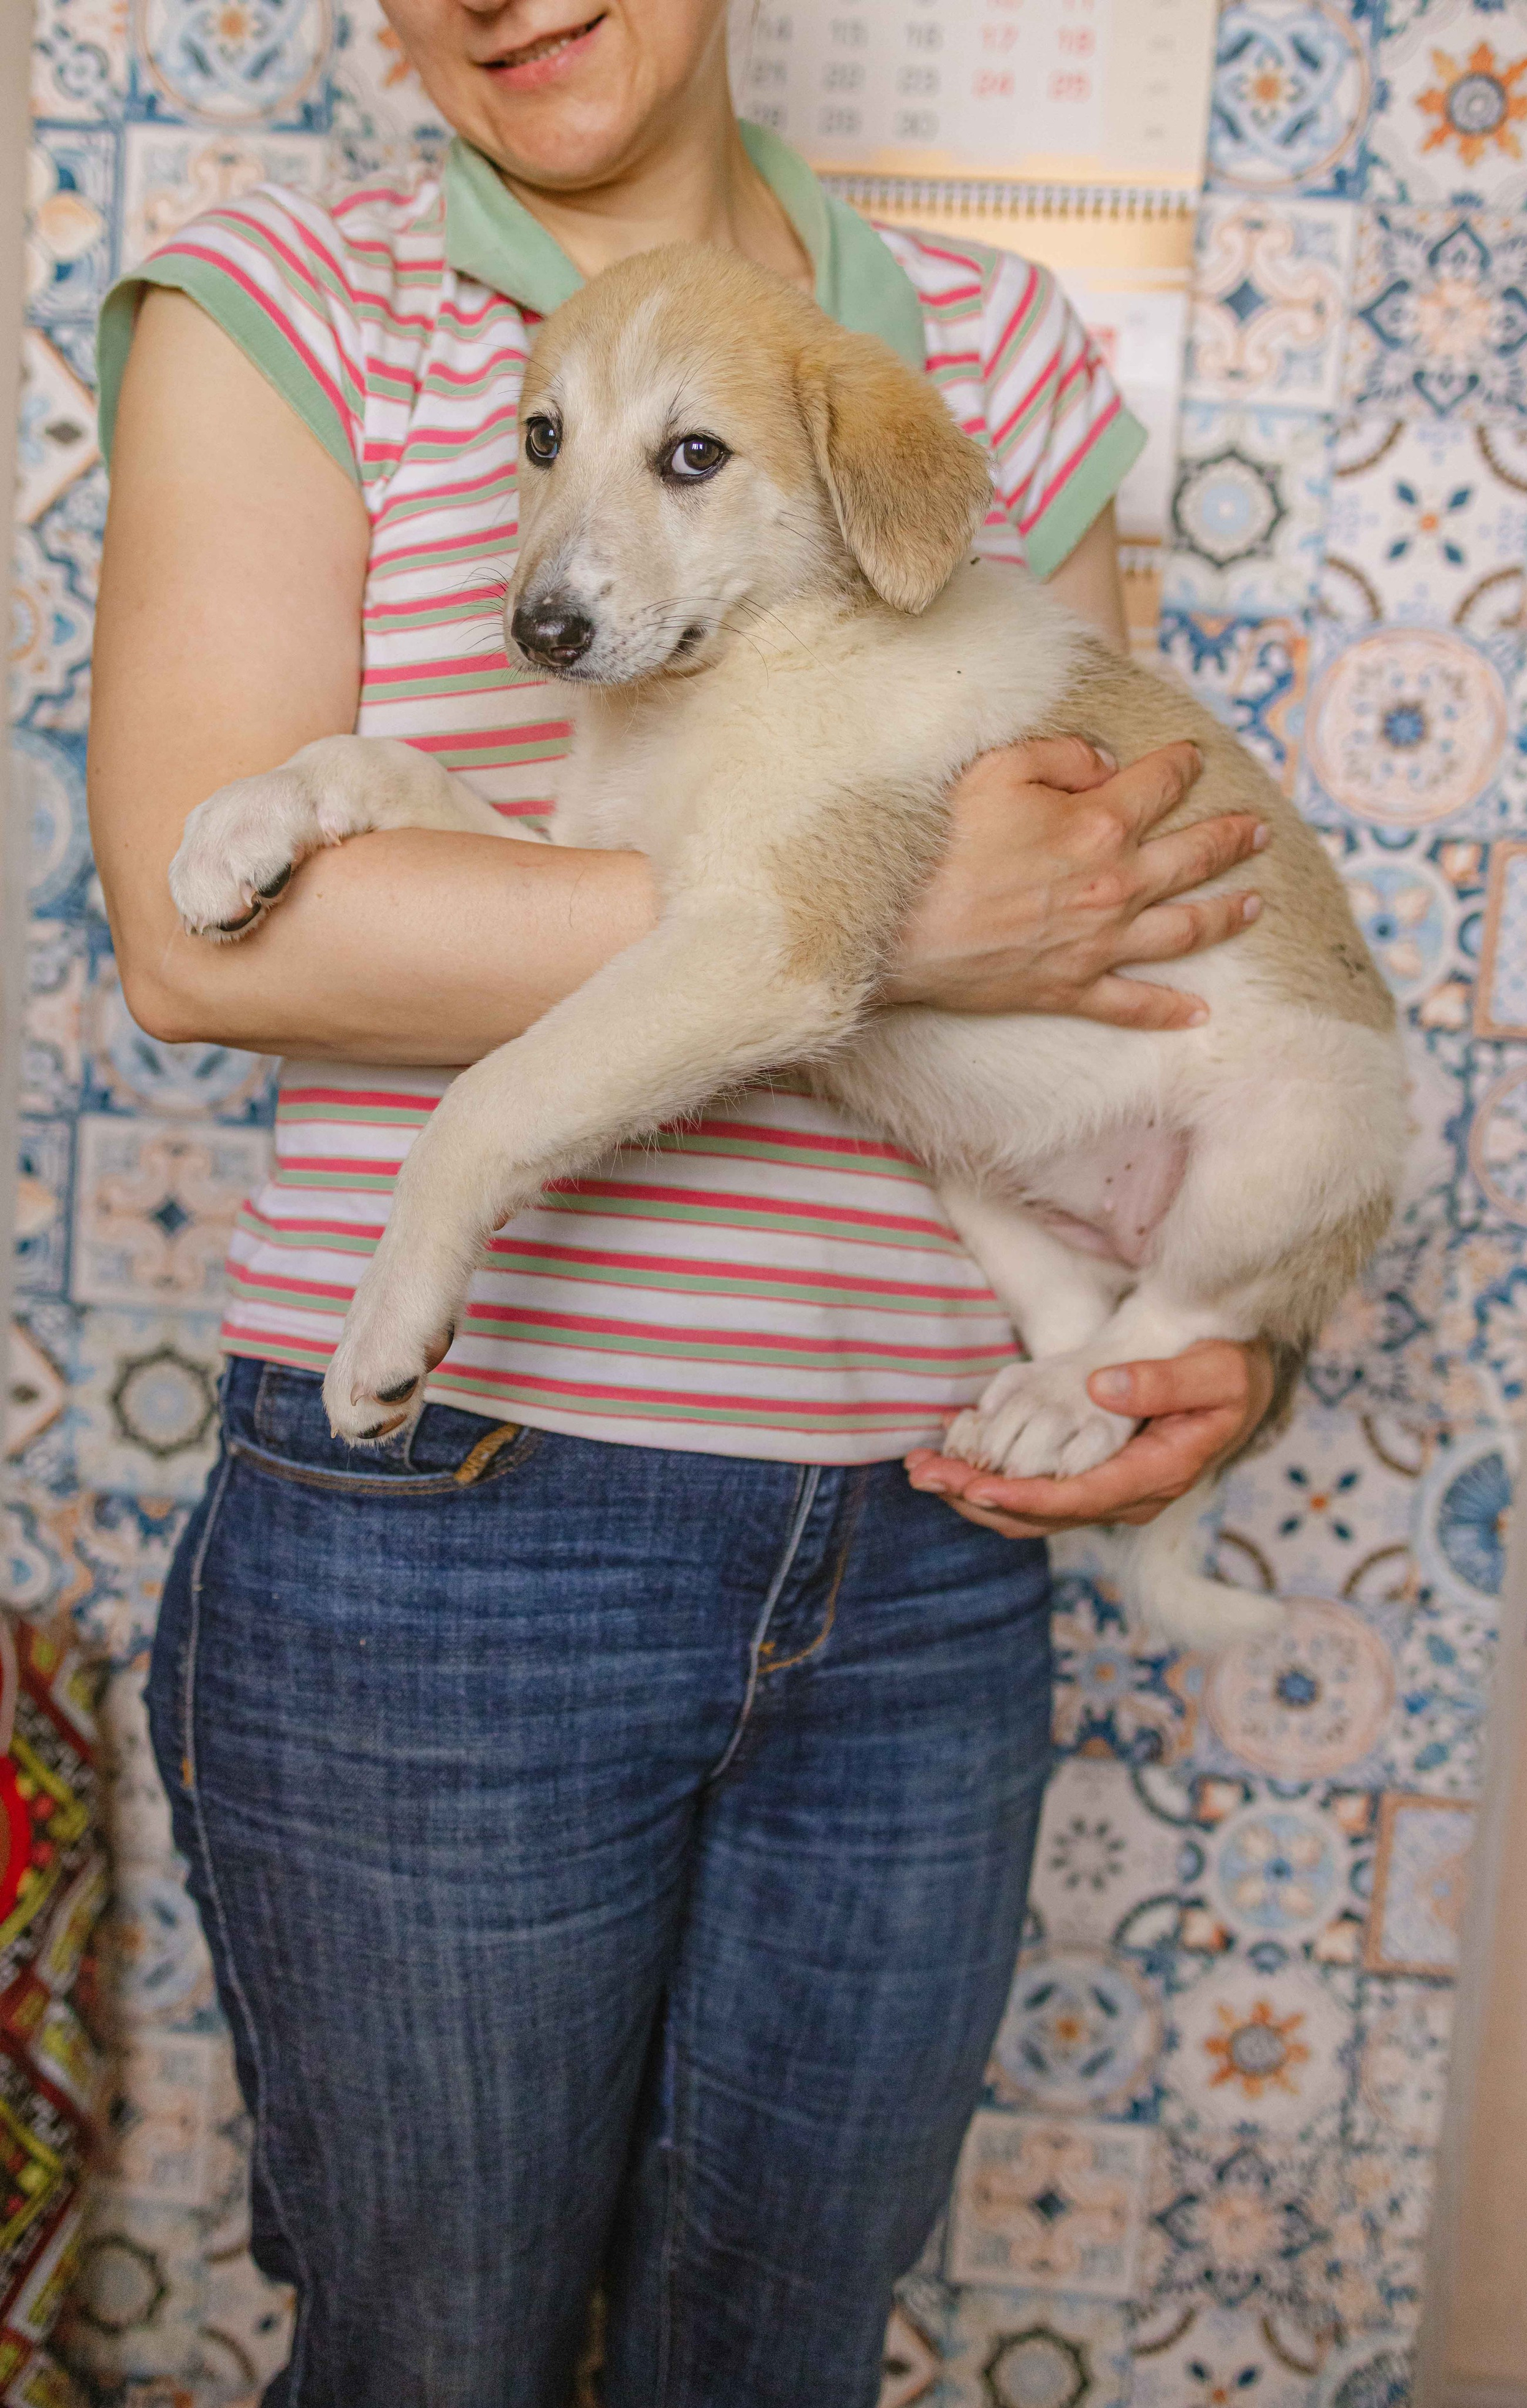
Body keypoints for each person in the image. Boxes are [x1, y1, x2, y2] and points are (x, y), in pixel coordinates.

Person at [88, 6, 1278, 2400]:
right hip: (452, 1525)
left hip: (931, 1554)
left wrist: (1214, 1325)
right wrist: (878, 928)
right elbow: (213, 935)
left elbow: (1120, 927)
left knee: (783, 2356)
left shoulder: (983, 362)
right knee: (440, 2354)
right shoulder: (286, 305)